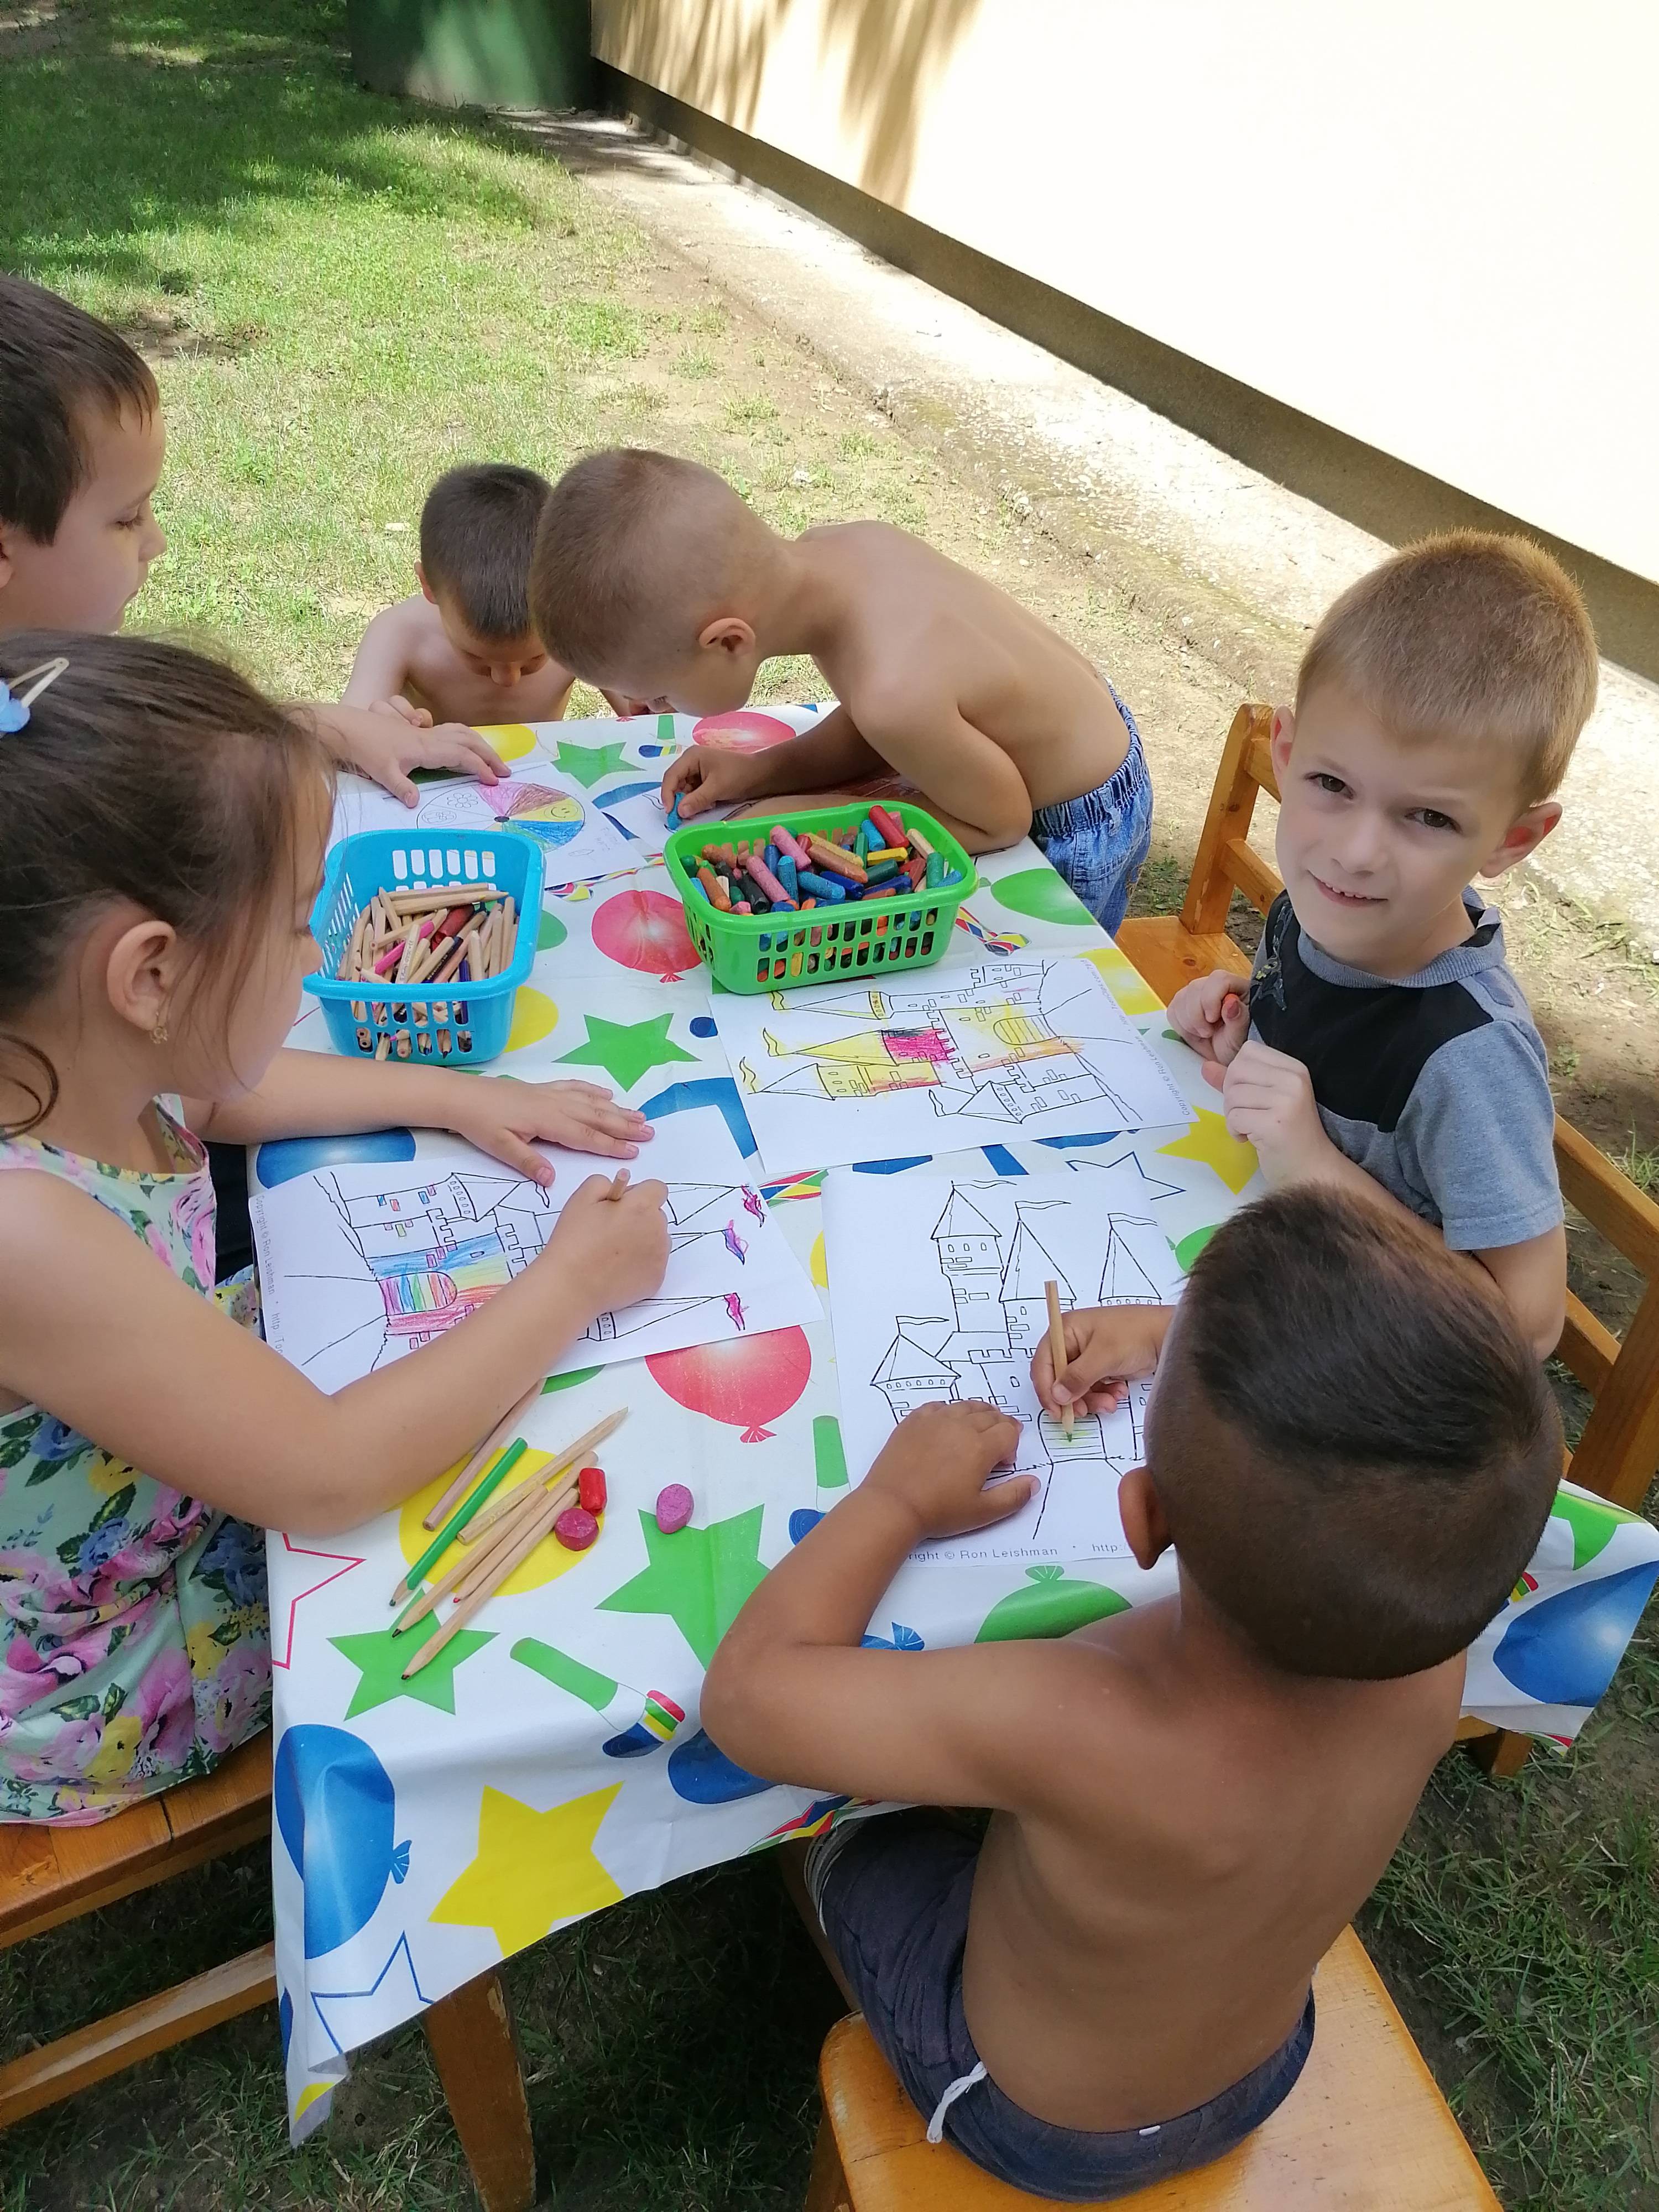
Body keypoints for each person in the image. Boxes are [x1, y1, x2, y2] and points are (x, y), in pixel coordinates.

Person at [702, 1188, 1559, 2202]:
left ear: (1143, 1519)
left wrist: (897, 1498)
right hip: (1263, 2061)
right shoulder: (1429, 1658)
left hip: (1038, 2122)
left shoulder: (1073, 1718)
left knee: (850, 1830)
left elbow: (748, 1699)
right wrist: (1166, 1338)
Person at [0, 632, 670, 1823]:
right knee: (531, 1583)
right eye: (297, 924)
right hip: (107, 1660)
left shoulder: (62, 1056)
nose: (316, 959)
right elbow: (326, 1473)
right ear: (149, 977)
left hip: (171, 1478)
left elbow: (210, 1098)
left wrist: (453, 1096)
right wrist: (572, 1279)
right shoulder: (28, 1235)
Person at [1165, 532, 1598, 1360]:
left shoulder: (1470, 1060)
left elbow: (1529, 1328)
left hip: (1372, 1378)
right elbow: (1319, 1061)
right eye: (1332, 784)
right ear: (1287, 755)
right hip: (1271, 1279)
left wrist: (1312, 1164)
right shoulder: (1320, 911)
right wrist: (1242, 1036)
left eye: (1428, 817)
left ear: (1512, 839)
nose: (1357, 851)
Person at [529, 448, 1154, 932]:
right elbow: (880, 727)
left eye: (661, 695)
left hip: (1071, 821)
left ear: (727, 641)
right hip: (1053, 745)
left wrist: (812, 822)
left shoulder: (894, 689)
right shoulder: (842, 549)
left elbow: (999, 822)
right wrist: (761, 773)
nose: (656, 710)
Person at [0, 272, 509, 806]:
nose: (157, 541)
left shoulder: (49, 678)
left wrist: (342, 729)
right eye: (127, 519)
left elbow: (173, 732)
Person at [344, 462, 585, 732]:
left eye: (535, 660)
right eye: (477, 658)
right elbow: (346, 734)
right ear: (429, 587)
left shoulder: (581, 629)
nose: (507, 680)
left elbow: (628, 700)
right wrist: (385, 731)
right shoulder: (400, 634)